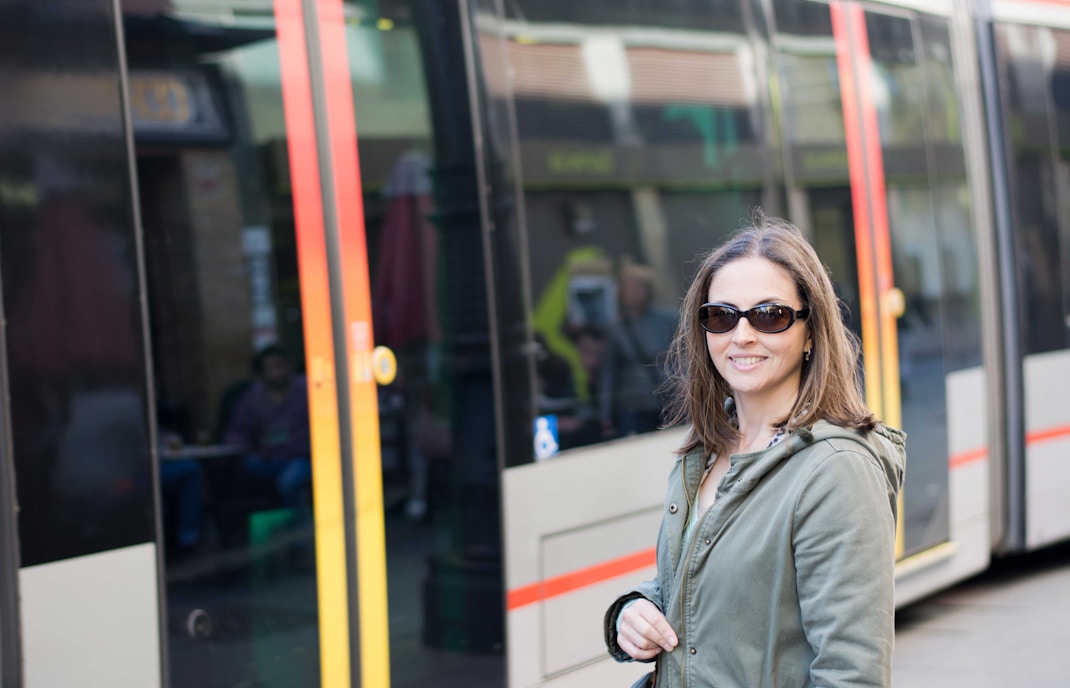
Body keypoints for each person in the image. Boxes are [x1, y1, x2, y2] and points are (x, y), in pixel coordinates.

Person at [603, 215, 905, 687]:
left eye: (769, 315)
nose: (742, 335)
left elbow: (853, 674)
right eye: (721, 316)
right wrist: (636, 609)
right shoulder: (704, 452)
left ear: (810, 331)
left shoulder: (836, 472)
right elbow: (708, 586)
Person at [224, 343, 312, 517]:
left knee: (290, 481)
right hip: (266, 459)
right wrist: (240, 445)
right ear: (261, 373)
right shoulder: (253, 397)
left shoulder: (307, 390)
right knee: (240, 472)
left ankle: (299, 534)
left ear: (290, 366)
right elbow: (237, 431)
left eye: (279, 366)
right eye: (269, 368)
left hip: (301, 457)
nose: (275, 373)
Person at [601, 261, 677, 436]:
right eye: (628, 288)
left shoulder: (668, 319)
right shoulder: (617, 327)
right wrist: (606, 413)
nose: (632, 293)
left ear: (649, 290)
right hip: (633, 404)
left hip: (667, 398)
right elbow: (609, 371)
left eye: (638, 287)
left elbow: (684, 359)